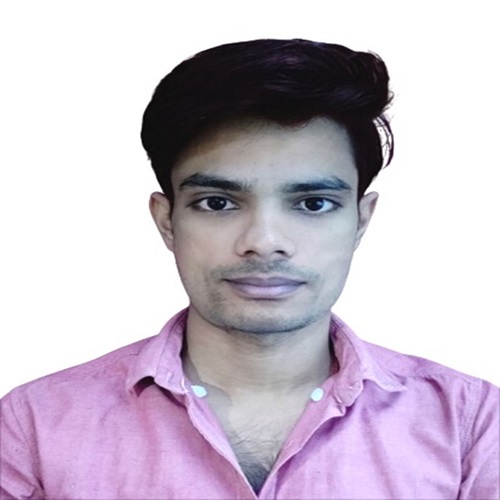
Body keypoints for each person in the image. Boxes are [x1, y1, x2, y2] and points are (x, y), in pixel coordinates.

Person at [0, 38, 498, 500]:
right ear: (167, 221)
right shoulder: (32, 427)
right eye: (217, 202)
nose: (263, 241)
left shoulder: (471, 425)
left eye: (313, 203)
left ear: (360, 221)